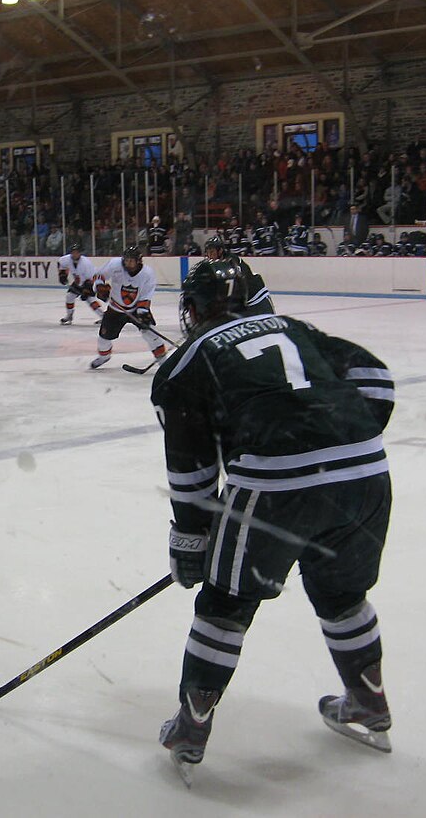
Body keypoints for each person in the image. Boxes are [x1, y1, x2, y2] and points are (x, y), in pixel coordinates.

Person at [151, 259, 396, 783]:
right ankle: (368, 701)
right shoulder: (296, 329)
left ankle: (191, 728)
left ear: (195, 310)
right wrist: (336, 436)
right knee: (341, 595)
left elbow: (192, 470)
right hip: (366, 475)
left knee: (226, 602)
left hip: (275, 485)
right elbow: (376, 378)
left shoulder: (185, 364)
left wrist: (191, 538)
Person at [89, 245, 167, 370]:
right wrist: (99, 286)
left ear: (138, 261)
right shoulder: (115, 265)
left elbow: (146, 295)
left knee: (150, 333)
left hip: (136, 309)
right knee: (104, 338)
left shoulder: (147, 273)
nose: (128, 263)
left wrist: (143, 313)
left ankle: (163, 361)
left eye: (131, 260)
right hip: (115, 309)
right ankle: (104, 357)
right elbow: (99, 275)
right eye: (126, 260)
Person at [56, 241, 103, 325]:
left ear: (80, 253)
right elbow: (61, 265)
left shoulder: (86, 263)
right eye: (73, 252)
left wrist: (86, 291)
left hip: (89, 283)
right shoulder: (66, 259)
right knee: (69, 297)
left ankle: (104, 317)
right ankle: (69, 316)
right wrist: (62, 275)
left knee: (90, 300)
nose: (74, 254)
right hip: (78, 283)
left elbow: (91, 279)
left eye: (76, 252)